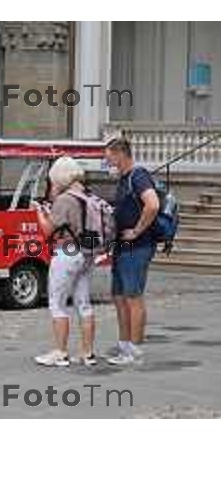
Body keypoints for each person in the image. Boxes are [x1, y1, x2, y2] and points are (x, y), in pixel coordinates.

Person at [33, 156, 97, 367]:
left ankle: (60, 352)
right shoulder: (87, 196)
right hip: (86, 252)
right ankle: (87, 354)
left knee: (57, 303)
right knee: (83, 304)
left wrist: (39, 213)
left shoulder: (65, 199)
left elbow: (47, 230)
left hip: (67, 253)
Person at [105, 137, 159, 365]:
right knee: (119, 296)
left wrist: (136, 231)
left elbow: (153, 204)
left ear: (120, 154)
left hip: (137, 246)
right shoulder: (124, 178)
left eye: (109, 158)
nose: (108, 162)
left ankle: (134, 350)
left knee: (133, 297)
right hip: (122, 246)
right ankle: (124, 344)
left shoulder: (138, 175)